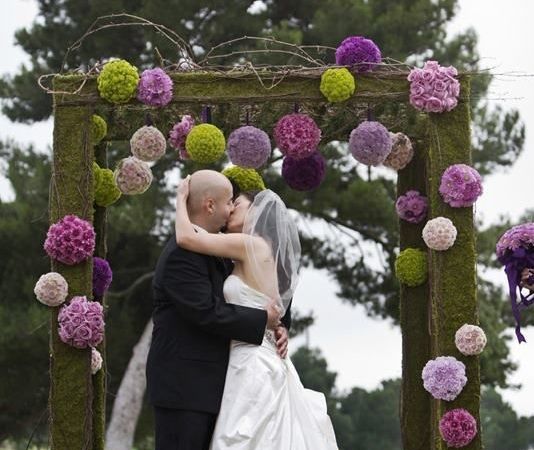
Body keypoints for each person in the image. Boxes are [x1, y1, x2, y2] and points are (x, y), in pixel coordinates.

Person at [175, 175, 339, 450]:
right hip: (260, 354)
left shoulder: (250, 245)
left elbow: (187, 237)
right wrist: (280, 326)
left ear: (255, 212)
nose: (229, 210)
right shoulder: (256, 252)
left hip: (252, 362)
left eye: (235, 204)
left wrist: (181, 199)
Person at [146, 170, 289, 450]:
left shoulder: (229, 251)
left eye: (237, 204)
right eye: (229, 202)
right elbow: (205, 311)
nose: (231, 208)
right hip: (186, 388)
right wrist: (264, 320)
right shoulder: (181, 253)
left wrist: (280, 327)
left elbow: (266, 296)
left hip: (225, 383)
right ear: (209, 205)